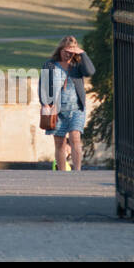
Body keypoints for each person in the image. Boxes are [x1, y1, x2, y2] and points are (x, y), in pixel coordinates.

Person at [39, 35, 95, 171]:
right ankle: (62, 173)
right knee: (60, 143)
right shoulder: (50, 64)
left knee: (75, 138)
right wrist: (45, 103)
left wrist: (83, 53)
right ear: (60, 50)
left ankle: (77, 171)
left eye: (71, 52)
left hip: (76, 109)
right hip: (56, 110)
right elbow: (43, 86)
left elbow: (90, 71)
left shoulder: (78, 65)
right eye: (65, 51)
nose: (67, 55)